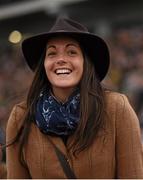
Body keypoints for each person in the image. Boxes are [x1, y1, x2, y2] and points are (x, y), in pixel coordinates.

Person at [6, 17, 143, 179]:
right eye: (52, 53)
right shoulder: (20, 117)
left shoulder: (116, 108)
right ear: (44, 64)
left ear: (86, 62)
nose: (61, 59)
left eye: (72, 52)